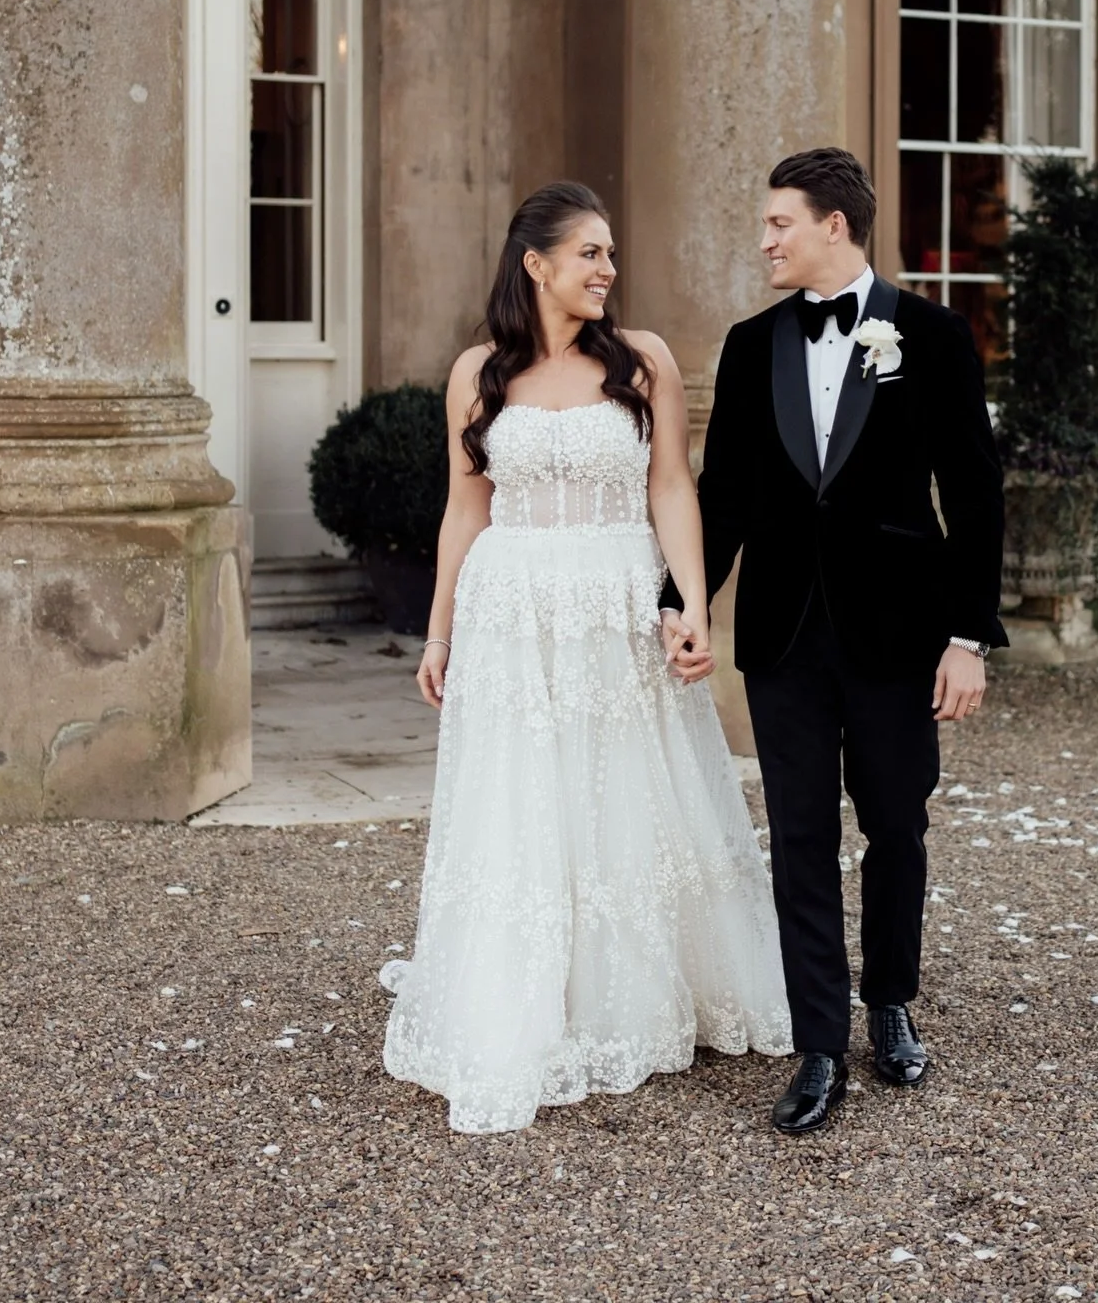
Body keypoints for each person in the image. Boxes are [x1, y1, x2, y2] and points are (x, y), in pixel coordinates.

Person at [382, 182, 790, 1134]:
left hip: (616, 598)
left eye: (611, 254)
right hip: (512, 611)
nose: (609, 270)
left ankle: (643, 989)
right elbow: (465, 507)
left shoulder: (643, 362)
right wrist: (438, 631)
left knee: (627, 789)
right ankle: (529, 991)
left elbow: (674, 489)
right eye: (590, 254)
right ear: (535, 265)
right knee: (524, 796)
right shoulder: (476, 372)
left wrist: (691, 602)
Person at [662, 147, 1006, 1136]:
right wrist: (683, 599)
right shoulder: (748, 343)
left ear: (835, 228)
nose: (764, 239)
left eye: (779, 223)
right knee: (801, 839)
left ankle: (889, 1000)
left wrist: (967, 637)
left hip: (901, 636)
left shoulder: (931, 337)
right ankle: (819, 1043)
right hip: (784, 638)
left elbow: (975, 495)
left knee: (896, 823)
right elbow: (722, 493)